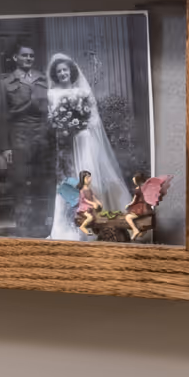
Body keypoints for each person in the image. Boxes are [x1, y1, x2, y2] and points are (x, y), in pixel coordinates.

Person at [45, 53, 132, 241]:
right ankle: (66, 227)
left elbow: (93, 119)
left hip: (83, 140)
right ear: (55, 74)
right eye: (59, 71)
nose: (62, 74)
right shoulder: (52, 94)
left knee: (86, 179)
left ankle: (93, 224)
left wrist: (79, 124)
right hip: (65, 143)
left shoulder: (82, 92)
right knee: (68, 180)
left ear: (71, 71)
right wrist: (63, 125)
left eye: (65, 70)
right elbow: (51, 118)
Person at [0, 45, 51, 237]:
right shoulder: (6, 83)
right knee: (20, 182)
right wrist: (5, 147)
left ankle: (40, 225)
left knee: (40, 182)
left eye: (31, 55)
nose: (29, 58)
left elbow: (48, 111)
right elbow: (2, 116)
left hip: (42, 138)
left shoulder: (43, 79)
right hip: (19, 137)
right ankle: (23, 227)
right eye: (24, 55)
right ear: (15, 58)